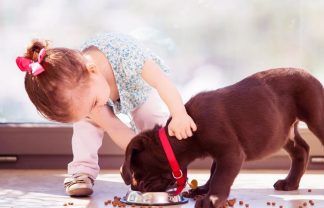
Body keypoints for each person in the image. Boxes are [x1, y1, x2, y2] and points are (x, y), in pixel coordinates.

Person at [16, 32, 197, 197]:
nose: (92, 112)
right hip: (97, 90)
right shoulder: (84, 89)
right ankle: (82, 171)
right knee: (86, 126)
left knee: (151, 119)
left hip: (138, 88)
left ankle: (163, 170)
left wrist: (179, 113)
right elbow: (113, 126)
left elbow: (162, 82)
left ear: (93, 70)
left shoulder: (129, 57)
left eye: (92, 104)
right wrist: (134, 158)